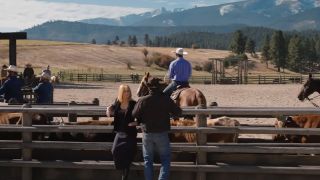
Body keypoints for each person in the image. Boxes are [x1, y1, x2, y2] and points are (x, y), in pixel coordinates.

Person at [132, 77, 182, 180]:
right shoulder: (165, 99)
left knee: (147, 160)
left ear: (148, 87)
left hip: (147, 133)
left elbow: (134, 113)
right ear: (159, 86)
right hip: (162, 133)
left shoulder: (142, 100)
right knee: (165, 159)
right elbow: (178, 112)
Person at [106, 84, 137, 180]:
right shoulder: (117, 102)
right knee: (114, 150)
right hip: (119, 132)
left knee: (128, 153)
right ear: (121, 93)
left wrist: (135, 122)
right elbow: (111, 110)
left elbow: (141, 117)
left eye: (128, 91)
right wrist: (108, 109)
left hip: (130, 133)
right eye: (125, 91)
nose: (127, 93)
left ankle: (125, 176)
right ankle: (122, 168)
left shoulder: (133, 103)